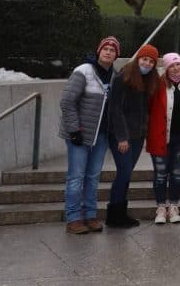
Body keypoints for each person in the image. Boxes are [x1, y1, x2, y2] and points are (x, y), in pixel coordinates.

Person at [59, 36, 120, 234]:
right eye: (106, 48)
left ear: (116, 55)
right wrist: (74, 129)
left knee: (93, 177)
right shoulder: (83, 71)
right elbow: (67, 101)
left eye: (113, 50)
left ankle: (90, 215)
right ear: (98, 50)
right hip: (80, 134)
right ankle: (74, 218)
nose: (108, 52)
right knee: (76, 177)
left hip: (101, 136)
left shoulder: (114, 76)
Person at [105, 44, 159, 228]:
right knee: (124, 172)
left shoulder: (149, 80)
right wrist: (121, 137)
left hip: (138, 135)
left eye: (151, 61)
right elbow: (115, 109)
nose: (147, 63)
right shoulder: (123, 77)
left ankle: (120, 213)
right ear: (138, 59)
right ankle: (114, 214)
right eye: (145, 59)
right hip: (122, 136)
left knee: (127, 174)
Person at [147, 52, 180, 225]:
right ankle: (160, 207)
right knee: (160, 175)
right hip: (159, 139)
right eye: (171, 65)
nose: (175, 68)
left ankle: (173, 206)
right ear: (166, 68)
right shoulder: (157, 86)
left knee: (177, 175)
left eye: (178, 64)